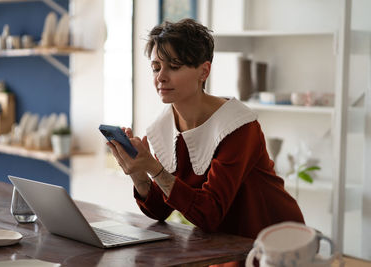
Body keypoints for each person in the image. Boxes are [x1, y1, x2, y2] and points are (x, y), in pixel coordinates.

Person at [107, 18, 304, 266]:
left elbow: (209, 213)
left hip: (273, 245)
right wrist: (138, 172)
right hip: (225, 246)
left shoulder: (238, 126)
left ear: (204, 71)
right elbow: (158, 210)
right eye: (156, 67)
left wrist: (154, 168)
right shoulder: (163, 128)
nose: (161, 77)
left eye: (174, 67)